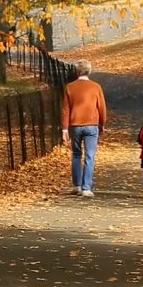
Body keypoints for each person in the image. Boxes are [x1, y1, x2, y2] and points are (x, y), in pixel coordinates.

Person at [61, 60, 107, 197]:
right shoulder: (96, 87)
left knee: (76, 154)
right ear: (89, 71)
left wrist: (64, 128)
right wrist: (102, 123)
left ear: (76, 71)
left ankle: (77, 185)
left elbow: (65, 109)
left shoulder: (70, 87)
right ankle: (86, 187)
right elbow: (102, 107)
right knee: (89, 156)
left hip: (75, 125)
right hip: (92, 125)